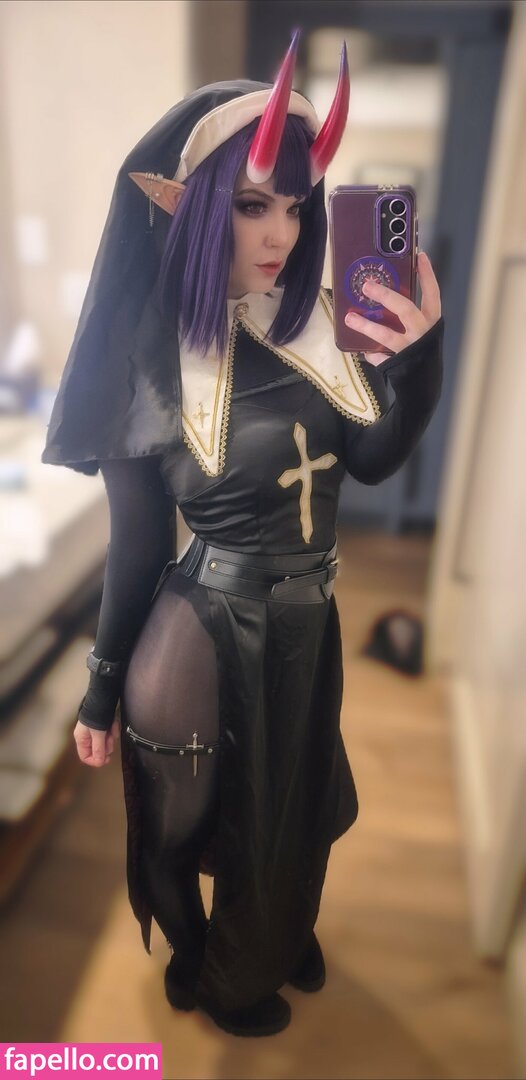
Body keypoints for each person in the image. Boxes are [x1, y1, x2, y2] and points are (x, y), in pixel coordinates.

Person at [41, 33, 443, 1038]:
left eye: (297, 206)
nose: (282, 232)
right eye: (254, 204)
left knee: (299, 811)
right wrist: (98, 690)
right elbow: (138, 547)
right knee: (185, 830)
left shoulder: (311, 322)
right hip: (201, 633)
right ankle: (201, 962)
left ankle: (272, 933)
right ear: (188, 205)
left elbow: (370, 459)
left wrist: (420, 360)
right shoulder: (147, 358)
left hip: (307, 622)